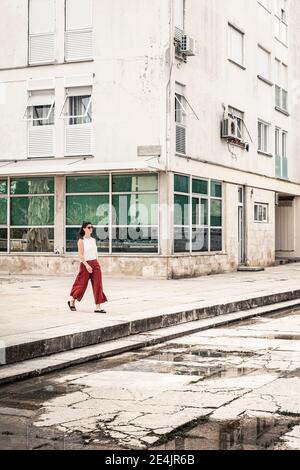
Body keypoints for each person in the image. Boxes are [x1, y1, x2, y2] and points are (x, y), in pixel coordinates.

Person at [68, 221, 107, 313]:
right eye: (89, 227)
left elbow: (95, 253)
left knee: (98, 285)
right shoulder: (81, 241)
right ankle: (72, 301)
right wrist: (86, 265)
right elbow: (81, 255)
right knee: (81, 285)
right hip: (85, 264)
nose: (91, 229)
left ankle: (98, 307)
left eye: (91, 227)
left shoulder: (93, 240)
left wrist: (98, 263)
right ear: (84, 229)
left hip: (95, 263)